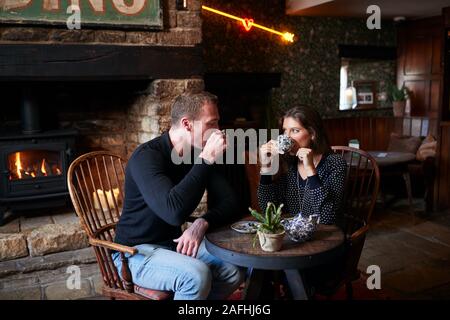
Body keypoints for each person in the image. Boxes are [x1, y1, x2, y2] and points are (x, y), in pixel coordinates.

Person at [113, 92, 245, 300]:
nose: (218, 131)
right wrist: (207, 159)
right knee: (196, 276)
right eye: (212, 123)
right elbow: (172, 212)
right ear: (187, 124)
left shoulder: (196, 154)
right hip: (134, 252)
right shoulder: (146, 157)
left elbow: (231, 202)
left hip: (173, 244)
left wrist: (202, 222)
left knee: (234, 267)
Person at [258, 105, 347, 226]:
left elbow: (327, 218)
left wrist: (310, 169)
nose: (286, 137)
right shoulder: (288, 163)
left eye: (295, 130)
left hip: (326, 238)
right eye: (284, 131)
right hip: (294, 237)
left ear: (312, 134)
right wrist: (266, 168)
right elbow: (269, 210)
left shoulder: (335, 163)